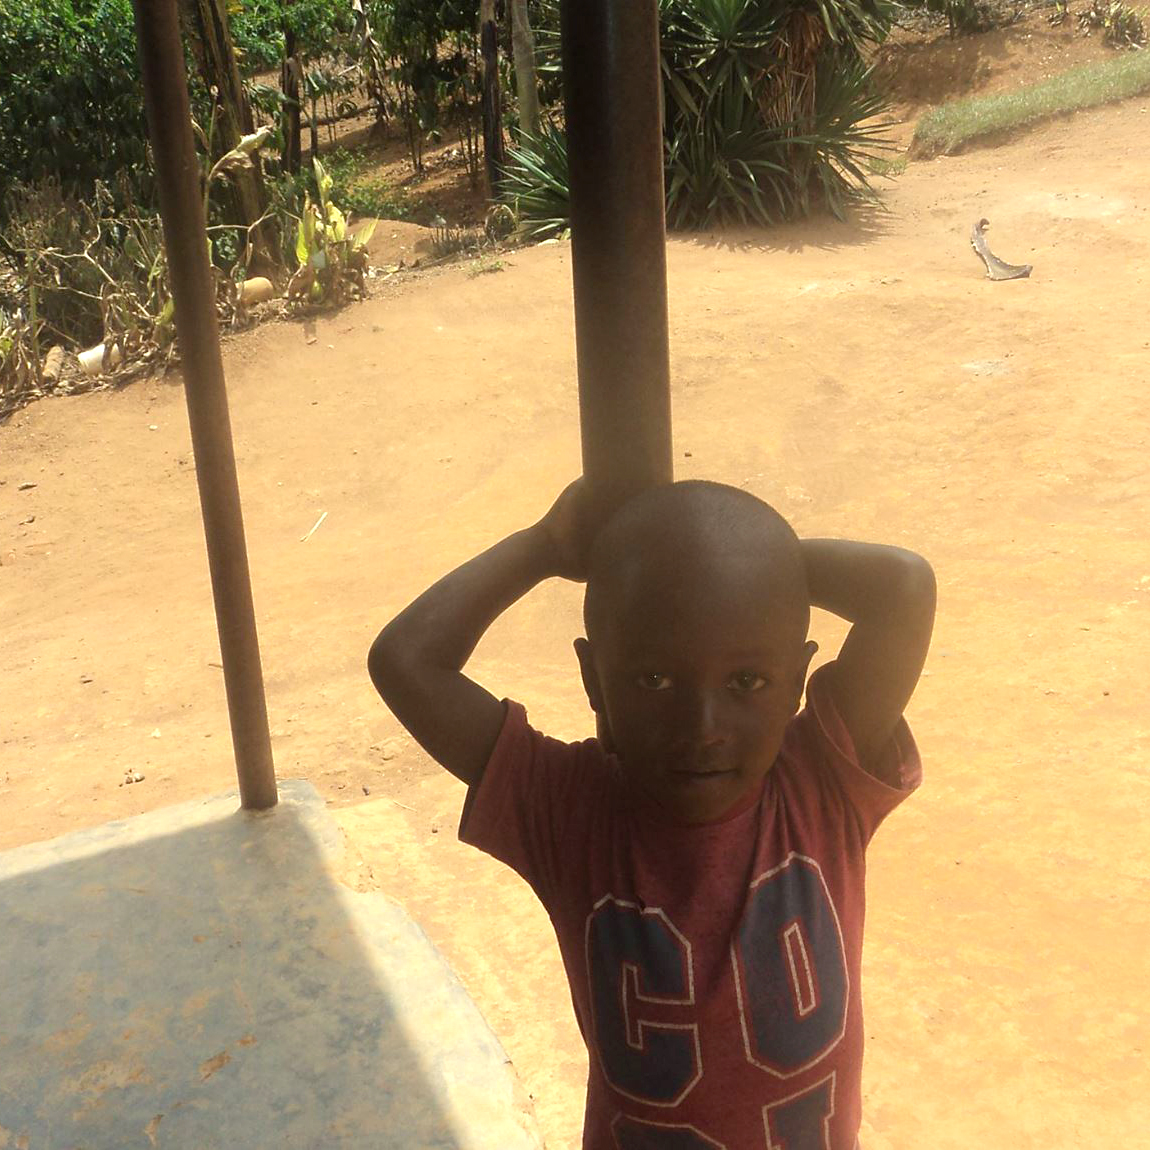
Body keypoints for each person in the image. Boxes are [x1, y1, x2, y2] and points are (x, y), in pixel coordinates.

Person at [368, 478, 935, 1150]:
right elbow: (405, 660)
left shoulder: (824, 781)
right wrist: (543, 546)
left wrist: (749, 565)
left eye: (747, 681)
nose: (703, 728)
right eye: (654, 680)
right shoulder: (568, 810)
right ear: (592, 678)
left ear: (795, 681)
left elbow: (905, 589)